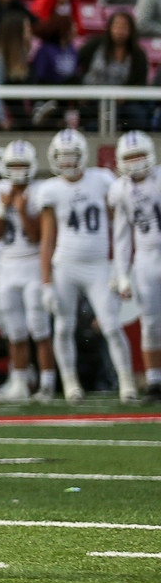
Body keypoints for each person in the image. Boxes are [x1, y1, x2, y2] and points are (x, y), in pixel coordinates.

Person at [31, 129, 137, 402]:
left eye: (72, 156)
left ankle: (127, 384)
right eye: (62, 157)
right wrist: (46, 282)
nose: (67, 162)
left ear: (83, 155)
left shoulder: (102, 180)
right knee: (64, 327)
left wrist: (119, 267)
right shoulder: (50, 189)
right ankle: (70, 385)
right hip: (65, 265)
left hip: (99, 265)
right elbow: (47, 239)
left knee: (112, 325)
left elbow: (120, 226)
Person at [0, 139, 54, 402]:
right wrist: (3, 208)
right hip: (9, 266)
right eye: (13, 165)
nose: (18, 170)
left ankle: (47, 383)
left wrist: (23, 212)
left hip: (33, 263)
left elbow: (37, 236)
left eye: (22, 165)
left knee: (39, 328)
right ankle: (19, 383)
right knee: (14, 330)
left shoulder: (41, 191)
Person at [108, 132, 161, 403]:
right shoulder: (120, 189)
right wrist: (121, 274)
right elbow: (121, 236)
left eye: (139, 156)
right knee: (151, 322)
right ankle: (154, 381)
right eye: (130, 157)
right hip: (146, 258)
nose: (136, 162)